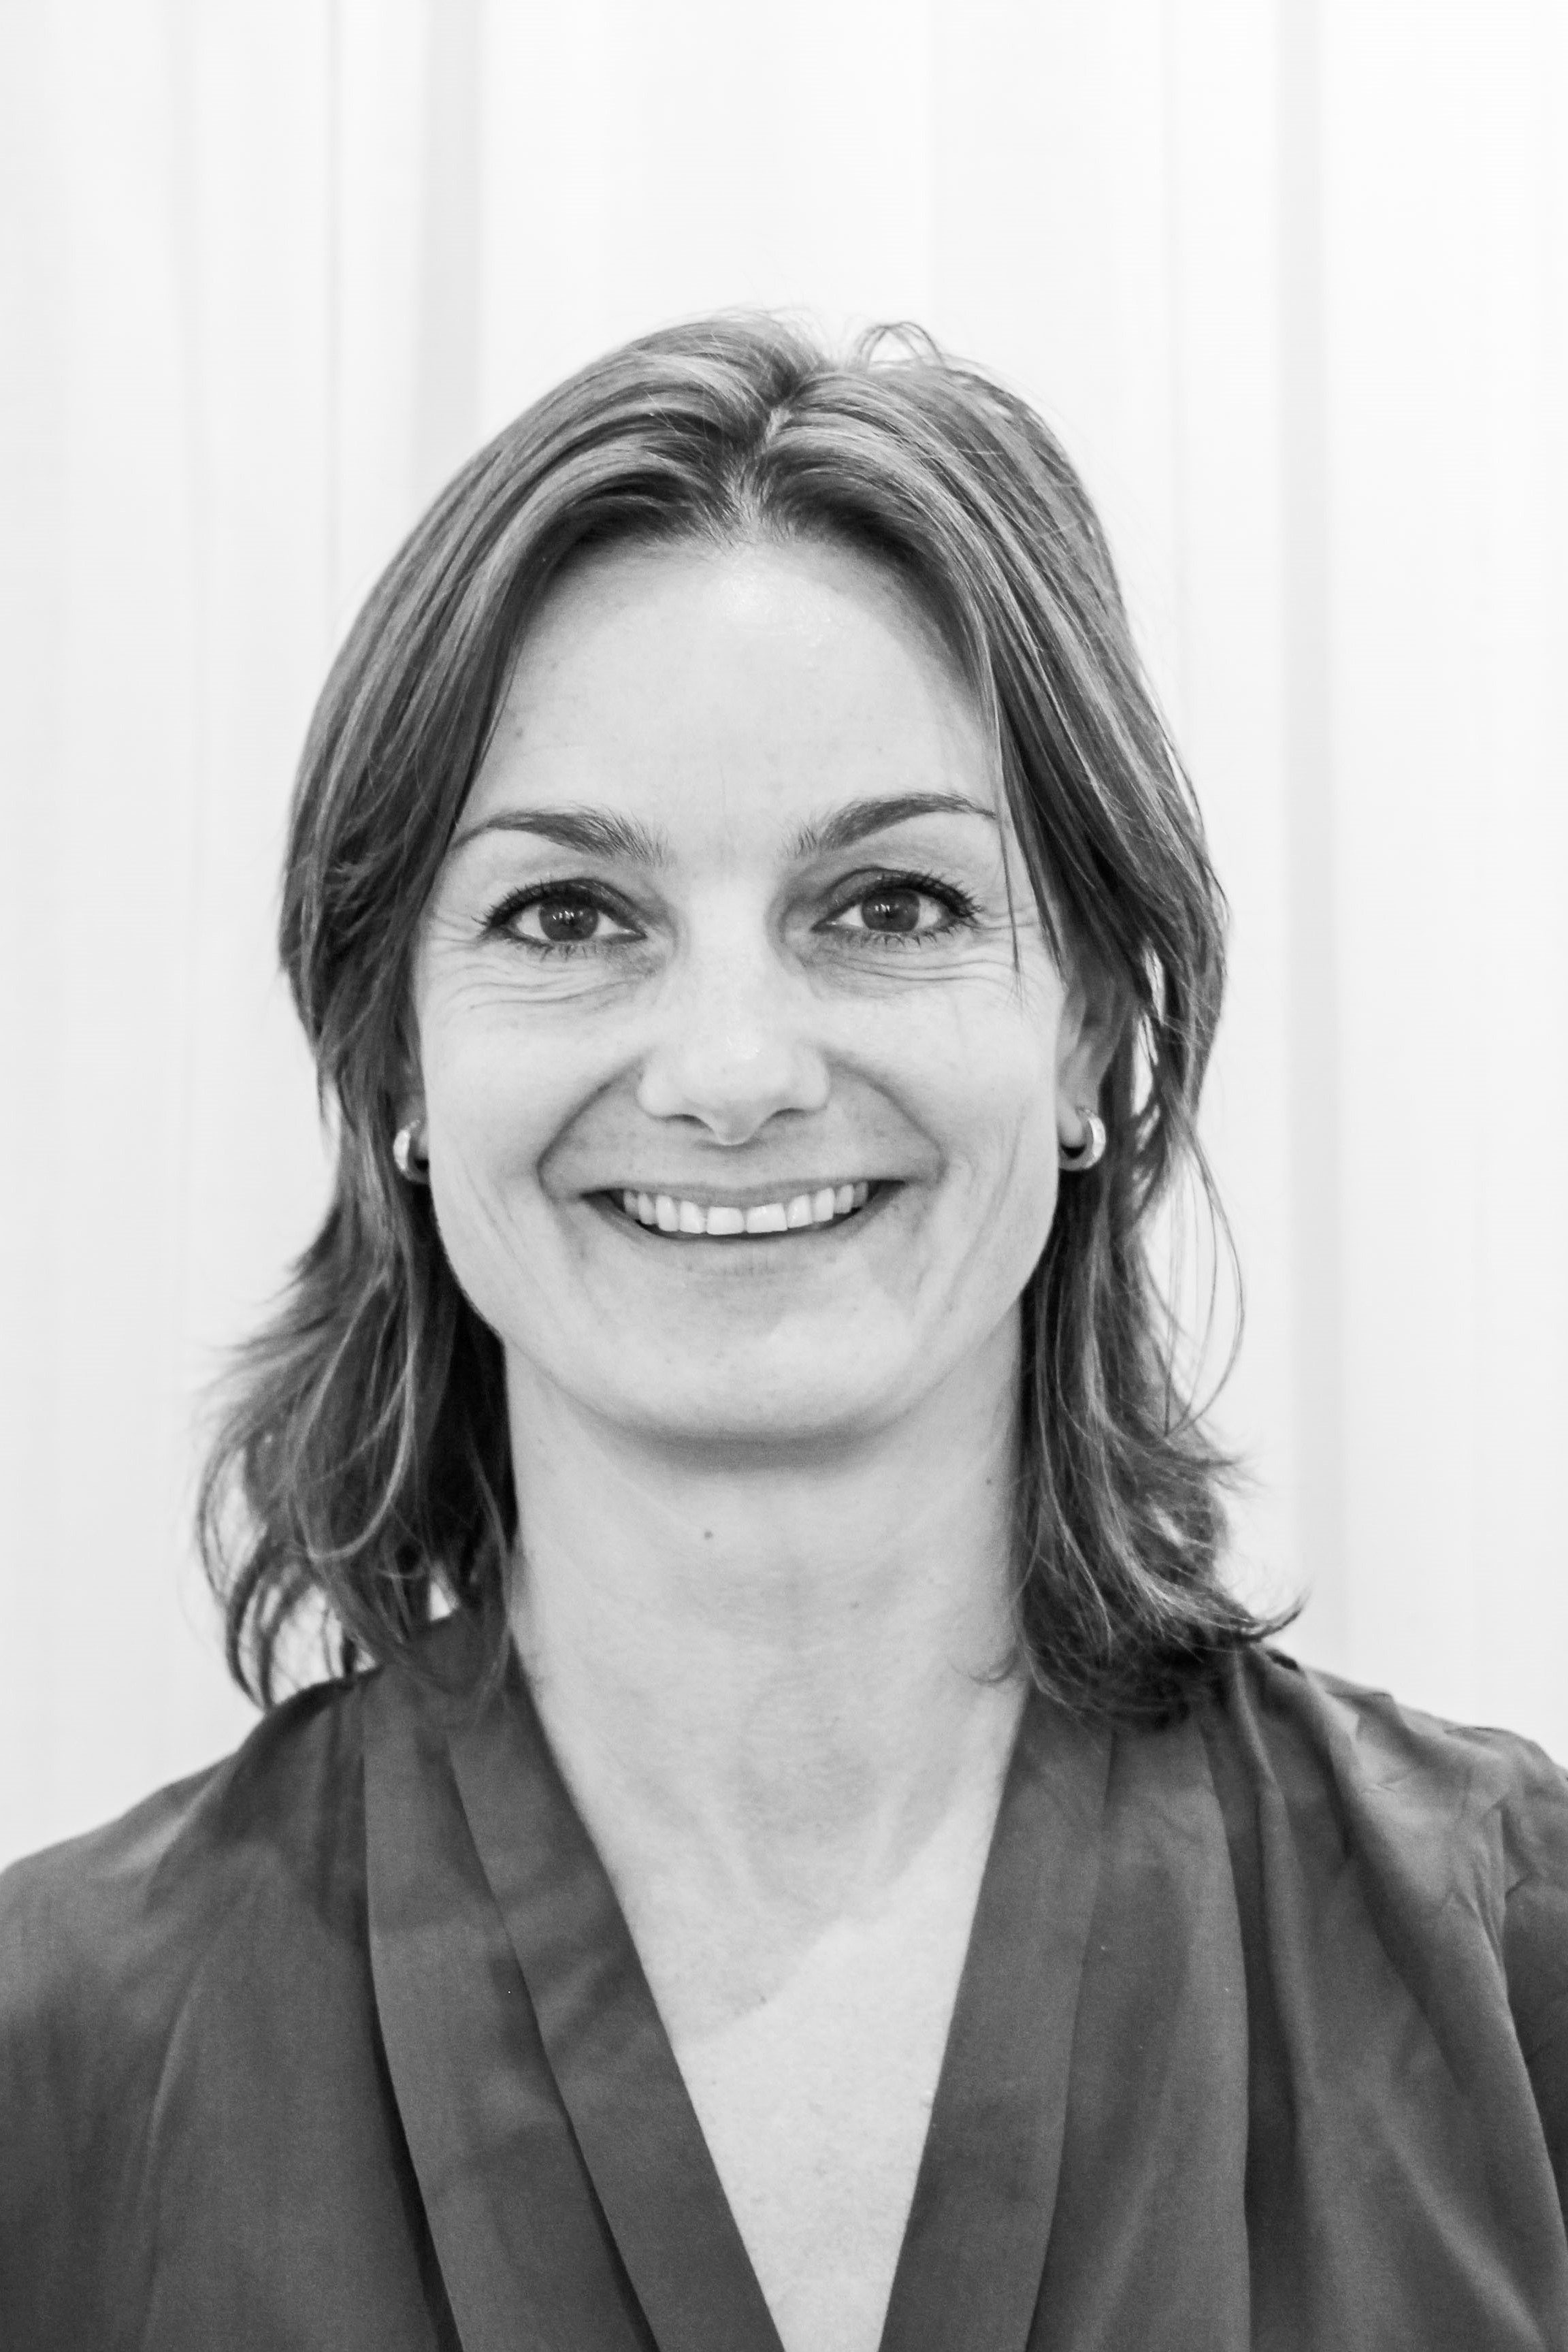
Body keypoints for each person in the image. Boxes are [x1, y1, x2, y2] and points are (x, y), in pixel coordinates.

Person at [3, 312, 1567, 2352]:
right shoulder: (59, 2063)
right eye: (570, 917)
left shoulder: (1517, 1972)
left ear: (1089, 1029)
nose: (733, 1070)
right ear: (395, 1059)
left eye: (892, 905)